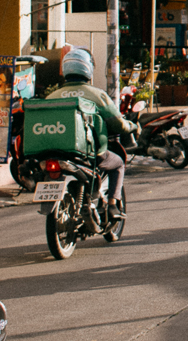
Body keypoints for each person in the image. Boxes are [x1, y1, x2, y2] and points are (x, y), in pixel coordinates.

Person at [46, 48, 134, 220]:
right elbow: (119, 125)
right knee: (118, 164)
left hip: (56, 153)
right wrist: (131, 126)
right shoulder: (97, 95)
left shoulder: (52, 97)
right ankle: (112, 206)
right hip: (90, 155)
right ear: (88, 69)